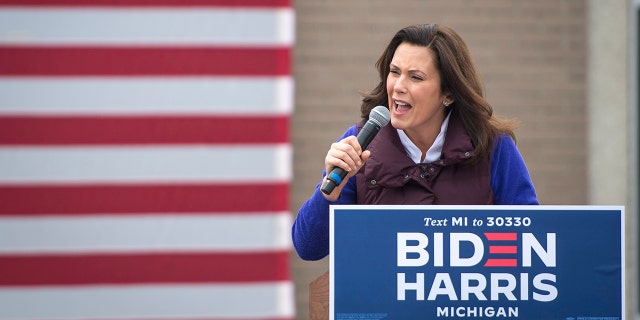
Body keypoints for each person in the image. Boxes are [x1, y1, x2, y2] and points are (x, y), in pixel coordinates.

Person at [292, 23, 539, 261]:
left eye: (416, 77)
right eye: (394, 72)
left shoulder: (493, 146)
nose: (398, 86)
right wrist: (329, 195)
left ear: (449, 93)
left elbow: (531, 241)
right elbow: (308, 248)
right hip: (384, 303)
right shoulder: (358, 143)